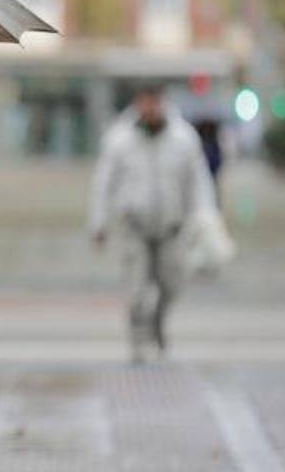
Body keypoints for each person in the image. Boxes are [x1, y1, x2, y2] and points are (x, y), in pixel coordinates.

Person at [89, 83, 215, 363]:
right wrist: (98, 223)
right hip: (134, 226)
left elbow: (198, 181)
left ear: (162, 103)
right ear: (137, 103)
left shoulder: (184, 138)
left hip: (172, 227)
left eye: (154, 103)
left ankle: (158, 323)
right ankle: (138, 338)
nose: (149, 109)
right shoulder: (120, 138)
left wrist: (205, 217)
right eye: (144, 103)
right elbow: (103, 183)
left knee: (171, 285)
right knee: (136, 290)